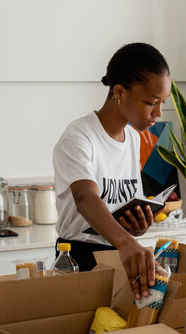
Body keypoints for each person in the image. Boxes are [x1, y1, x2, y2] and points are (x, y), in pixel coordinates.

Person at [53, 42, 171, 299]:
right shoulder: (78, 137)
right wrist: (127, 242)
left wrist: (136, 228)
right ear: (119, 92)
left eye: (162, 102)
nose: (158, 113)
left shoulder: (134, 138)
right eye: (151, 102)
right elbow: (85, 198)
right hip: (79, 258)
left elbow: (120, 204)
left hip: (119, 254)